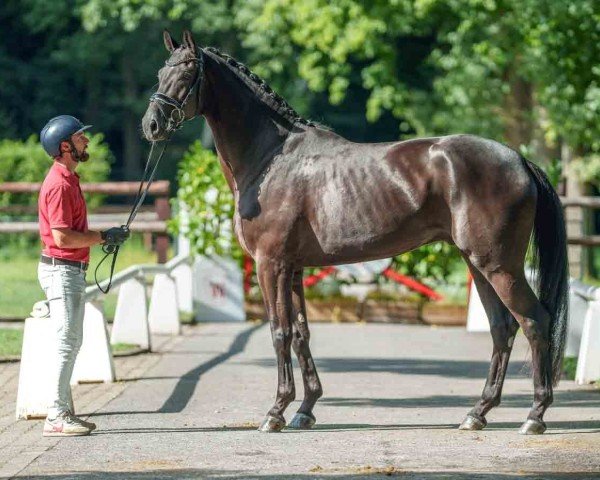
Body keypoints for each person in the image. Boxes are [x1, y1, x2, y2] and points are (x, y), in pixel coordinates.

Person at [38, 115, 130, 436]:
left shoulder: (70, 179)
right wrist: (104, 236)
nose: (86, 141)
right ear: (65, 146)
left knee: (71, 341)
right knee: (67, 342)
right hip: (62, 270)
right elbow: (62, 237)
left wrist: (104, 237)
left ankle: (62, 408)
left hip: (69, 270)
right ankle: (56, 415)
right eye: (80, 138)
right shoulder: (60, 185)